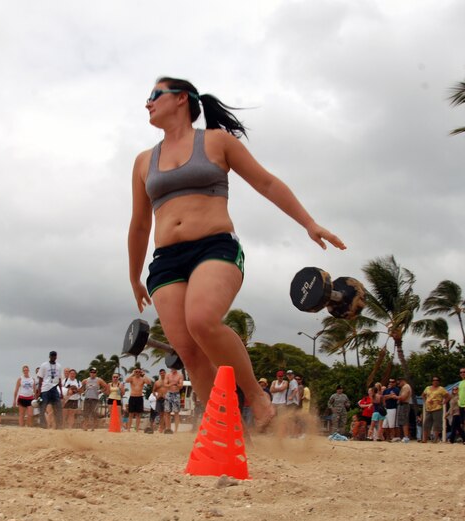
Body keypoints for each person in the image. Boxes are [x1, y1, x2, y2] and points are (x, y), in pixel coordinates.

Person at [127, 77, 345, 433]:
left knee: (201, 321)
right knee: (187, 349)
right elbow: (138, 225)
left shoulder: (216, 142)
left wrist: (309, 223)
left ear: (181, 98)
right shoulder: (143, 161)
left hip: (215, 247)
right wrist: (134, 276)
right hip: (166, 260)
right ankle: (227, 429)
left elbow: (267, 183)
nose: (147, 103)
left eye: (154, 95)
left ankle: (258, 398)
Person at [36, 351, 63, 430]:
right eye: (52, 356)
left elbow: (60, 379)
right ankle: (43, 425)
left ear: (56, 357)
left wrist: (61, 392)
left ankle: (59, 425)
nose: (53, 357)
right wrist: (39, 391)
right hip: (45, 388)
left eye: (54, 356)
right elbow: (40, 378)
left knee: (58, 407)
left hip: (54, 388)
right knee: (42, 407)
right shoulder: (44, 365)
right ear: (49, 356)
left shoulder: (59, 366)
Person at [421, 377, 448, 443]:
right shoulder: (427, 388)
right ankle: (425, 439)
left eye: (437, 380)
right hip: (428, 408)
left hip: (437, 408)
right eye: (434, 380)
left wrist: (443, 402)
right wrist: (426, 401)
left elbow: (448, 396)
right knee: (426, 424)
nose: (435, 381)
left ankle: (435, 439)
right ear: (432, 381)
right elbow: (423, 395)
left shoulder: (441, 389)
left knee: (437, 424)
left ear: (439, 381)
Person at [164, 367, 184, 434]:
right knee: (167, 412)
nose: (173, 369)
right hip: (169, 393)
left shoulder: (180, 375)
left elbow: (181, 386)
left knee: (176, 412)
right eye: (172, 367)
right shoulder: (168, 375)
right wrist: (171, 384)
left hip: (176, 394)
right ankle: (168, 428)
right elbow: (165, 384)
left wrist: (177, 384)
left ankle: (176, 430)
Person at [397, 376, 413, 443]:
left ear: (402, 380)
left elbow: (403, 398)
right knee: (401, 421)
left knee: (404, 421)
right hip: (401, 405)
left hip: (404, 405)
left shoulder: (406, 387)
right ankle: (403, 436)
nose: (398, 384)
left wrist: (395, 397)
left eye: (399, 382)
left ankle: (406, 437)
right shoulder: (404, 387)